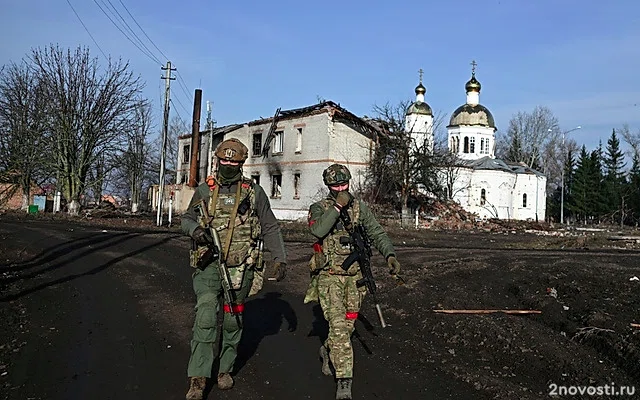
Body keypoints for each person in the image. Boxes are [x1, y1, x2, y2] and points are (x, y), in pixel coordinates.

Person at [181, 138, 287, 400]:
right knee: (205, 318)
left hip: (241, 269)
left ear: (242, 163)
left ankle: (224, 369)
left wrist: (279, 258)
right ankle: (198, 377)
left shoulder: (254, 192)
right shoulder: (206, 190)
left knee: (233, 321)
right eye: (224, 160)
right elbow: (186, 218)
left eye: (234, 161)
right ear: (217, 160)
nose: (228, 165)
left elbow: (270, 226)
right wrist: (196, 231)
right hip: (209, 267)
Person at [306, 163, 401, 400]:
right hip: (330, 277)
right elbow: (318, 231)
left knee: (347, 327)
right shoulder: (319, 208)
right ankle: (345, 383)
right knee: (339, 328)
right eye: (336, 185)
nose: (341, 188)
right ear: (328, 187)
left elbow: (377, 232)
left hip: (355, 278)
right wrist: (338, 206)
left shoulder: (359, 208)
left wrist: (389, 254)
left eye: (344, 184)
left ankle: (327, 348)